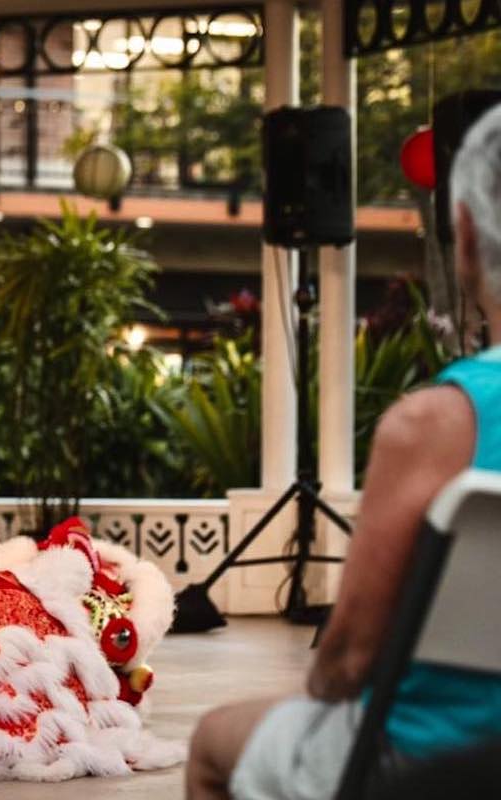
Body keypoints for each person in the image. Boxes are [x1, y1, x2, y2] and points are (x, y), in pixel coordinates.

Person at [185, 106, 501, 800]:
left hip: (425, 761)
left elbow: (348, 662)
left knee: (214, 742)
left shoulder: (434, 425)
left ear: (468, 239)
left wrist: (318, 684)